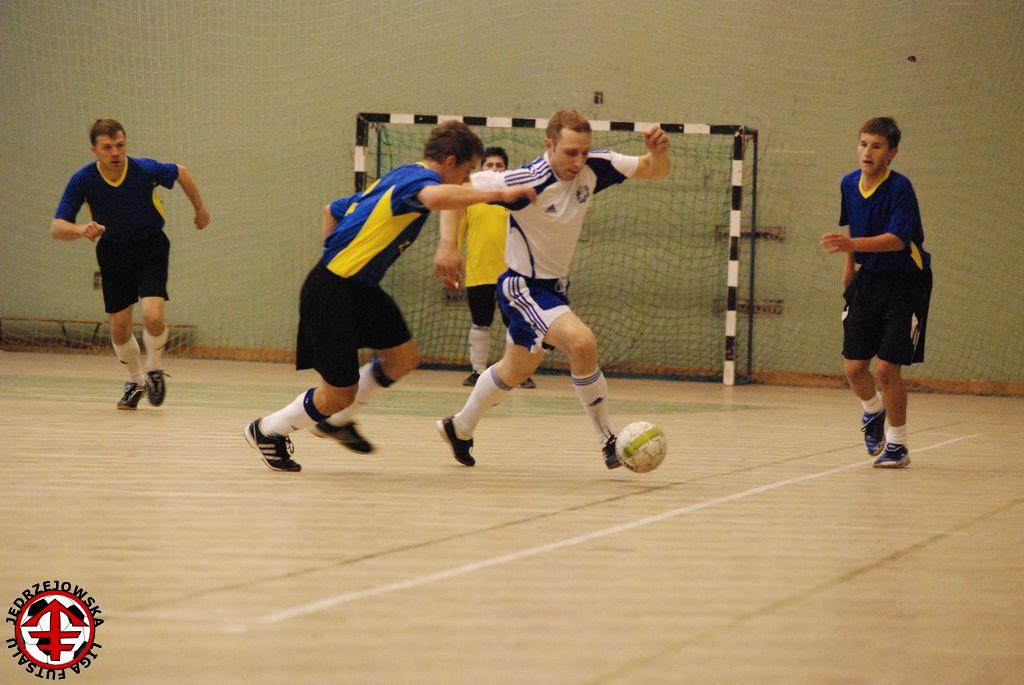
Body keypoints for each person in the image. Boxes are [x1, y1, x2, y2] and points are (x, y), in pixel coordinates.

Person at [244, 120, 537, 472]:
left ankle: (338, 422)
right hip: (332, 293)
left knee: (402, 358)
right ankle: (267, 430)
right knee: (337, 395)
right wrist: (498, 195)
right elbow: (435, 198)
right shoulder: (419, 182)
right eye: (467, 170)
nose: (466, 179)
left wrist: (340, 252)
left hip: (360, 288)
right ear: (450, 161)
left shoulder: (401, 175)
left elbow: (332, 209)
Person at [433, 109, 671, 469]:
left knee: (515, 370)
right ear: (549, 145)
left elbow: (654, 170)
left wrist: (658, 153)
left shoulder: (596, 166)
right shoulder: (526, 180)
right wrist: (448, 245)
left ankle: (459, 427)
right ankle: (607, 440)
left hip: (554, 287)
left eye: (584, 152)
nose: (579, 161)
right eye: (570, 152)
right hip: (522, 287)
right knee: (582, 342)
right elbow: (454, 191)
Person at [51, 119, 210, 409]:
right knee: (120, 327)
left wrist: (200, 209)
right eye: (107, 147)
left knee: (152, 316)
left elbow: (181, 172)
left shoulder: (144, 169)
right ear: (94, 150)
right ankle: (136, 380)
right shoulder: (83, 180)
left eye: (120, 145)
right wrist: (81, 229)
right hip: (113, 251)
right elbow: (57, 227)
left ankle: (154, 369)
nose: (115, 152)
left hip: (151, 246)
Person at [821, 116, 932, 468]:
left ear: (892, 153)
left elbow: (897, 240)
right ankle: (872, 411)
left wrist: (851, 245)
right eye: (863, 143)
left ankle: (897, 445)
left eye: (877, 146)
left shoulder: (900, 188)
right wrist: (849, 264)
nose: (867, 152)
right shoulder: (849, 183)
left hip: (905, 281)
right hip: (868, 278)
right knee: (855, 369)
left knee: (885, 370)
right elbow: (854, 228)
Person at [454, 147, 535, 389]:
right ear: (481, 169)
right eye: (489, 165)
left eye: (499, 165)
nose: (494, 169)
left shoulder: (515, 200)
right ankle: (477, 370)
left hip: (512, 272)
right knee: (480, 321)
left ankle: (519, 372)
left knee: (516, 323)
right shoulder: (469, 199)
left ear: (506, 169)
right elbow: (456, 233)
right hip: (478, 271)